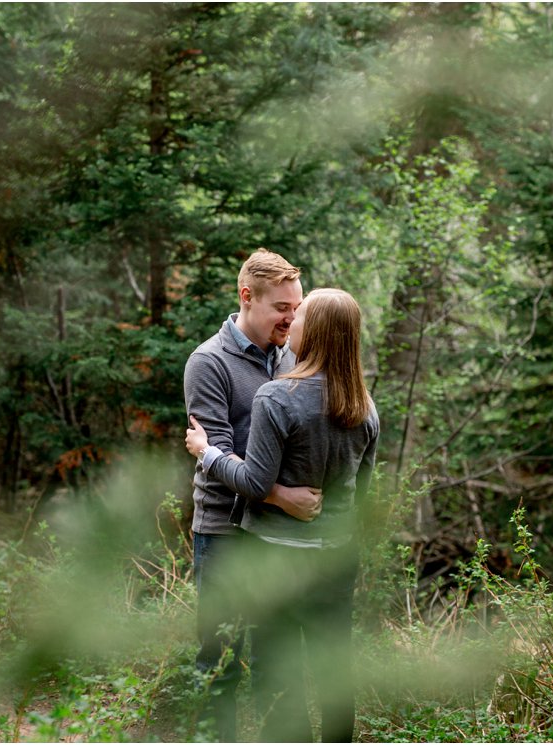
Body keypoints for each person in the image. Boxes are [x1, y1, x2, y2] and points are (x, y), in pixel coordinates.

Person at [186, 288, 380, 742]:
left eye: (301, 314)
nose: (290, 322)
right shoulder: (364, 407)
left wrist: (208, 453)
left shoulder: (277, 397)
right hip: (334, 562)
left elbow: (255, 484)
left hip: (276, 557)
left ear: (317, 333)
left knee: (277, 677)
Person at [183, 248, 323, 742]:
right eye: (282, 307)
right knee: (219, 655)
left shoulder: (292, 356)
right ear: (248, 297)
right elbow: (214, 456)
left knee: (275, 657)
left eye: (297, 306)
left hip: (273, 537)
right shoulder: (208, 362)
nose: (293, 317)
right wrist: (284, 496)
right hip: (222, 530)